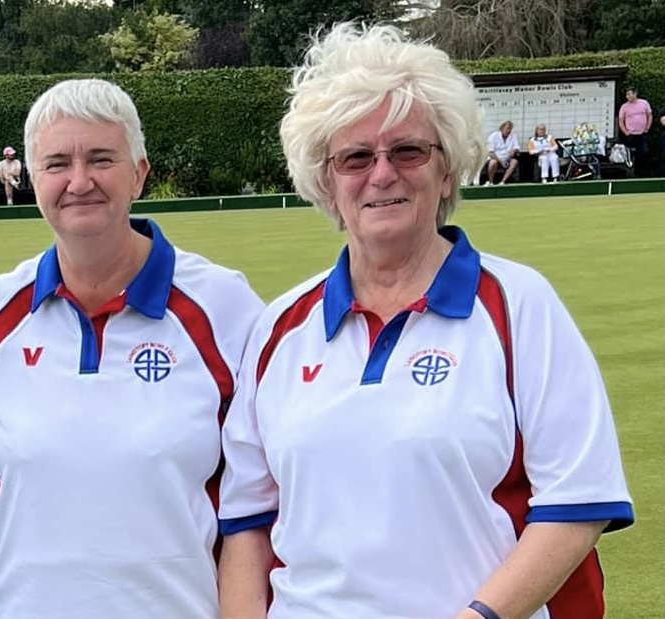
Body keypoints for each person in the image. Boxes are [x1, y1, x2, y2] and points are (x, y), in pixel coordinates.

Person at [218, 23, 635, 619]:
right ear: (327, 185)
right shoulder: (280, 326)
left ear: (447, 171)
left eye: (408, 151)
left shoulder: (519, 305)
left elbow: (577, 504)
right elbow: (248, 524)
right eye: (355, 157)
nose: (382, 173)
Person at [0, 78, 264, 618]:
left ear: (138, 173)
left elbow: (266, 498)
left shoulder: (225, 308)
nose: (79, 181)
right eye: (56, 164)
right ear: (33, 179)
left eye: (100, 159)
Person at [616, 87, 651, 165]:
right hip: (631, 134)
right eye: (626, 95)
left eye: (629, 94)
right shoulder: (624, 107)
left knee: (644, 151)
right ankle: (632, 168)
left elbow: (649, 115)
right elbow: (621, 121)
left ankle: (641, 168)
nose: (627, 96)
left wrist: (647, 128)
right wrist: (626, 132)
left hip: (642, 133)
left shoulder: (644, 103)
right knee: (631, 153)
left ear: (635, 94)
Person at [483, 120, 519, 185]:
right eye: (507, 129)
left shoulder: (513, 136)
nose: (509, 131)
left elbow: (516, 147)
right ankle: (491, 181)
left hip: (507, 159)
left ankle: (502, 181)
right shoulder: (494, 136)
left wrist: (514, 150)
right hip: (496, 158)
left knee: (514, 162)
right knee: (493, 162)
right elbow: (491, 152)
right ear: (502, 128)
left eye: (510, 129)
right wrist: (501, 162)